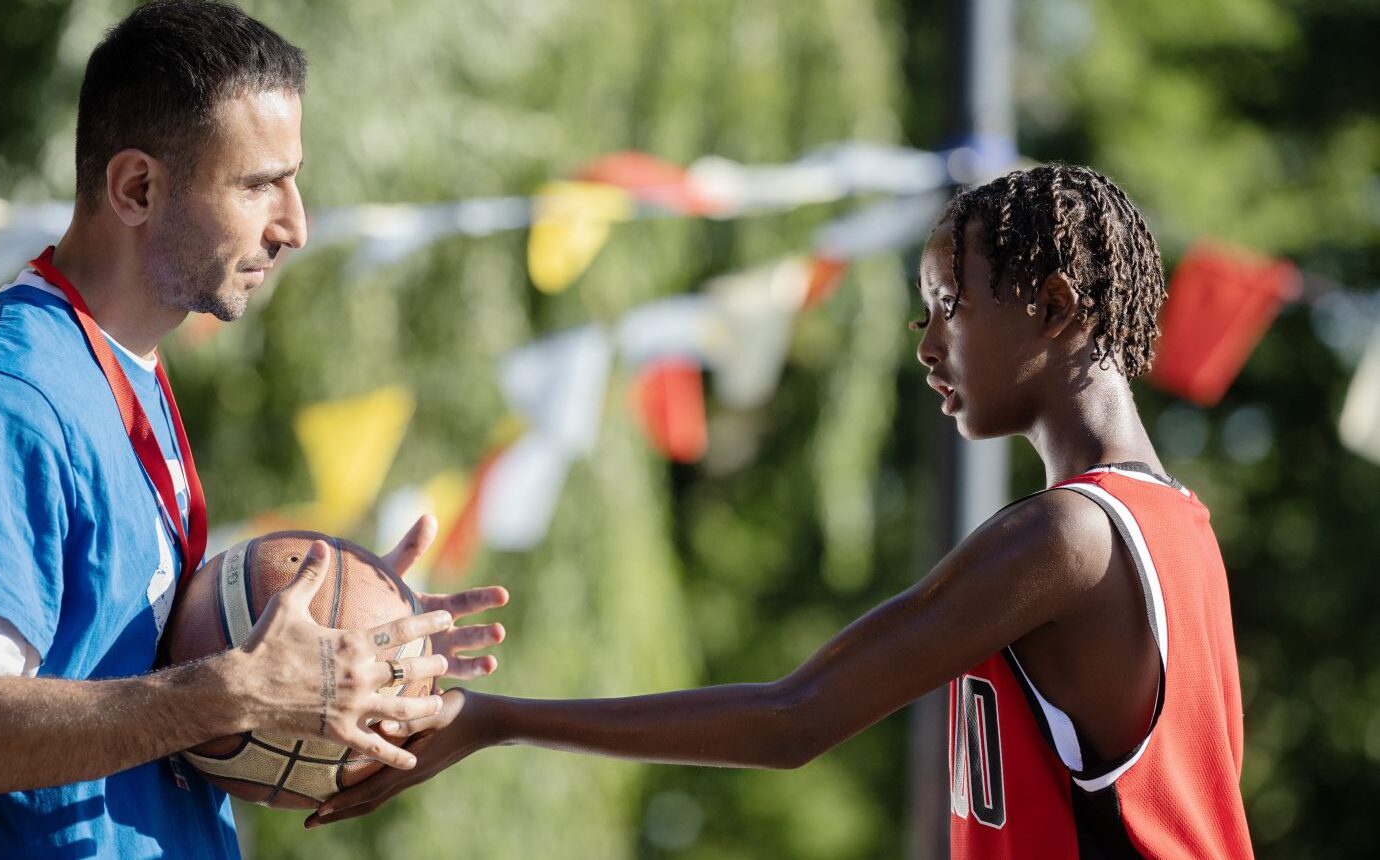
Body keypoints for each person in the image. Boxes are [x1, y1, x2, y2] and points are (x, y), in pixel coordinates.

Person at [310, 164, 1254, 858]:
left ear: (1052, 306)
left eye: (949, 304)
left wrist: (492, 718)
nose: (927, 344)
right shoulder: (1177, 528)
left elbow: (793, 718)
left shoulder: (1068, 536)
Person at [0, 3, 506, 858]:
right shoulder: (9, 396)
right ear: (137, 188)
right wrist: (235, 693)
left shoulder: (122, 369)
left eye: (293, 181)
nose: (295, 226)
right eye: (259, 185)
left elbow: (117, 658)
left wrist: (346, 634)